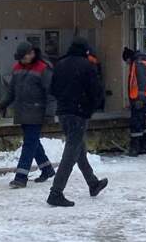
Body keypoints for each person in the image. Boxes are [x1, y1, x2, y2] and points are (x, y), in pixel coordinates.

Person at [46, 38, 108, 207]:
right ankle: (56, 192)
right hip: (79, 113)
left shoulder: (60, 64)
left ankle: (93, 183)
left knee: (78, 149)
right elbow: (96, 91)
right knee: (71, 153)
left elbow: (53, 89)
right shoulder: (87, 66)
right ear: (85, 51)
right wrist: (90, 108)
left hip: (63, 112)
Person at [0, 42, 55, 188]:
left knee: (29, 144)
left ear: (32, 53)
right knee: (33, 142)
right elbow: (11, 91)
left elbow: (50, 94)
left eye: (25, 56)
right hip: (22, 112)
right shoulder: (17, 68)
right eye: (21, 57)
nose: (23, 59)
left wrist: (49, 114)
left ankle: (21, 177)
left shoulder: (43, 68)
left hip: (36, 112)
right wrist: (0, 107)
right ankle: (47, 169)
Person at [122, 47, 146, 156]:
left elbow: (142, 82)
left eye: (126, 61)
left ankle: (135, 148)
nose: (127, 64)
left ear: (129, 58)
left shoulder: (138, 64)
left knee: (136, 123)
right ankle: (145, 146)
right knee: (141, 122)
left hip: (142, 98)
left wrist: (139, 100)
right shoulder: (141, 61)